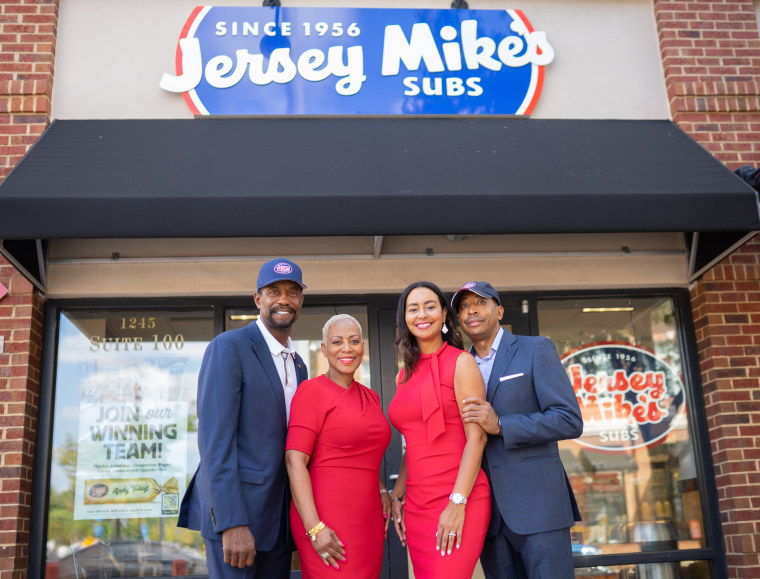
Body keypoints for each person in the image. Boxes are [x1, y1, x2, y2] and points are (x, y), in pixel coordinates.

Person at [178, 258, 309, 579]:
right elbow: (214, 444)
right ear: (258, 299)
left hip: (278, 524)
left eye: (293, 292)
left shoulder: (299, 365)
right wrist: (231, 522)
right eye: (273, 291)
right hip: (238, 522)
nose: (283, 300)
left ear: (301, 301)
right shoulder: (229, 347)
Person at [453, 281, 583, 579]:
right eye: (463, 306)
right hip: (488, 516)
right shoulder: (459, 365)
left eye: (480, 302)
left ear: (498, 311)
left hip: (538, 506)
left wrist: (501, 425)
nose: (471, 310)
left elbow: (569, 419)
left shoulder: (535, 349)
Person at [388, 281, 491, 578]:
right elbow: (414, 442)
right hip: (417, 502)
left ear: (444, 314)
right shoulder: (403, 374)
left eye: (430, 306)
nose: (422, 314)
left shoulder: (462, 363)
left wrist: (456, 503)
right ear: (404, 319)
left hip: (460, 496)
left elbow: (478, 437)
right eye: (413, 308)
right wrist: (398, 494)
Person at [286, 314, 392, 577]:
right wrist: (314, 527)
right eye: (337, 342)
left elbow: (366, 451)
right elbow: (294, 460)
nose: (347, 348)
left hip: (368, 519)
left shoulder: (372, 397)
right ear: (324, 349)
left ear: (362, 348)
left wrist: (381, 490)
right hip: (325, 519)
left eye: (354, 341)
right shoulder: (311, 392)